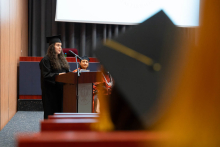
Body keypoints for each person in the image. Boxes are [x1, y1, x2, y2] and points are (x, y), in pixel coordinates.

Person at [39, 35, 70, 119]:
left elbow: (67, 72)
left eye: (61, 45)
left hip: (61, 90)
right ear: (52, 47)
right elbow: (46, 75)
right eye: (58, 45)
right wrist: (58, 75)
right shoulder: (46, 60)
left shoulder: (62, 60)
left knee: (61, 111)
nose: (60, 48)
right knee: (51, 112)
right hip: (51, 92)